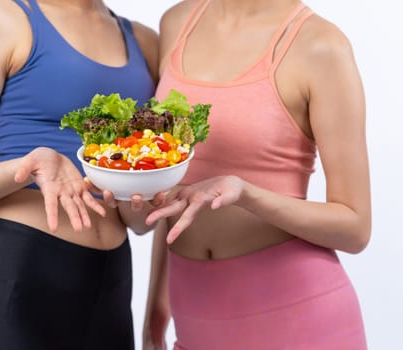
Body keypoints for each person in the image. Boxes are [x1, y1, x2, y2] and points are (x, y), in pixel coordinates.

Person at [0, 0, 161, 348]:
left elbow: (140, 224)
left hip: (111, 289)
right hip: (19, 283)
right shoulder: (3, 21)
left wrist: (141, 196)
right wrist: (30, 166)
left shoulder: (144, 41)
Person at [142, 0, 370, 349]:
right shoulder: (177, 22)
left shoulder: (320, 46)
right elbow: (172, 190)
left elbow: (355, 228)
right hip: (196, 324)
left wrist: (247, 194)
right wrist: (154, 317)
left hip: (299, 321)